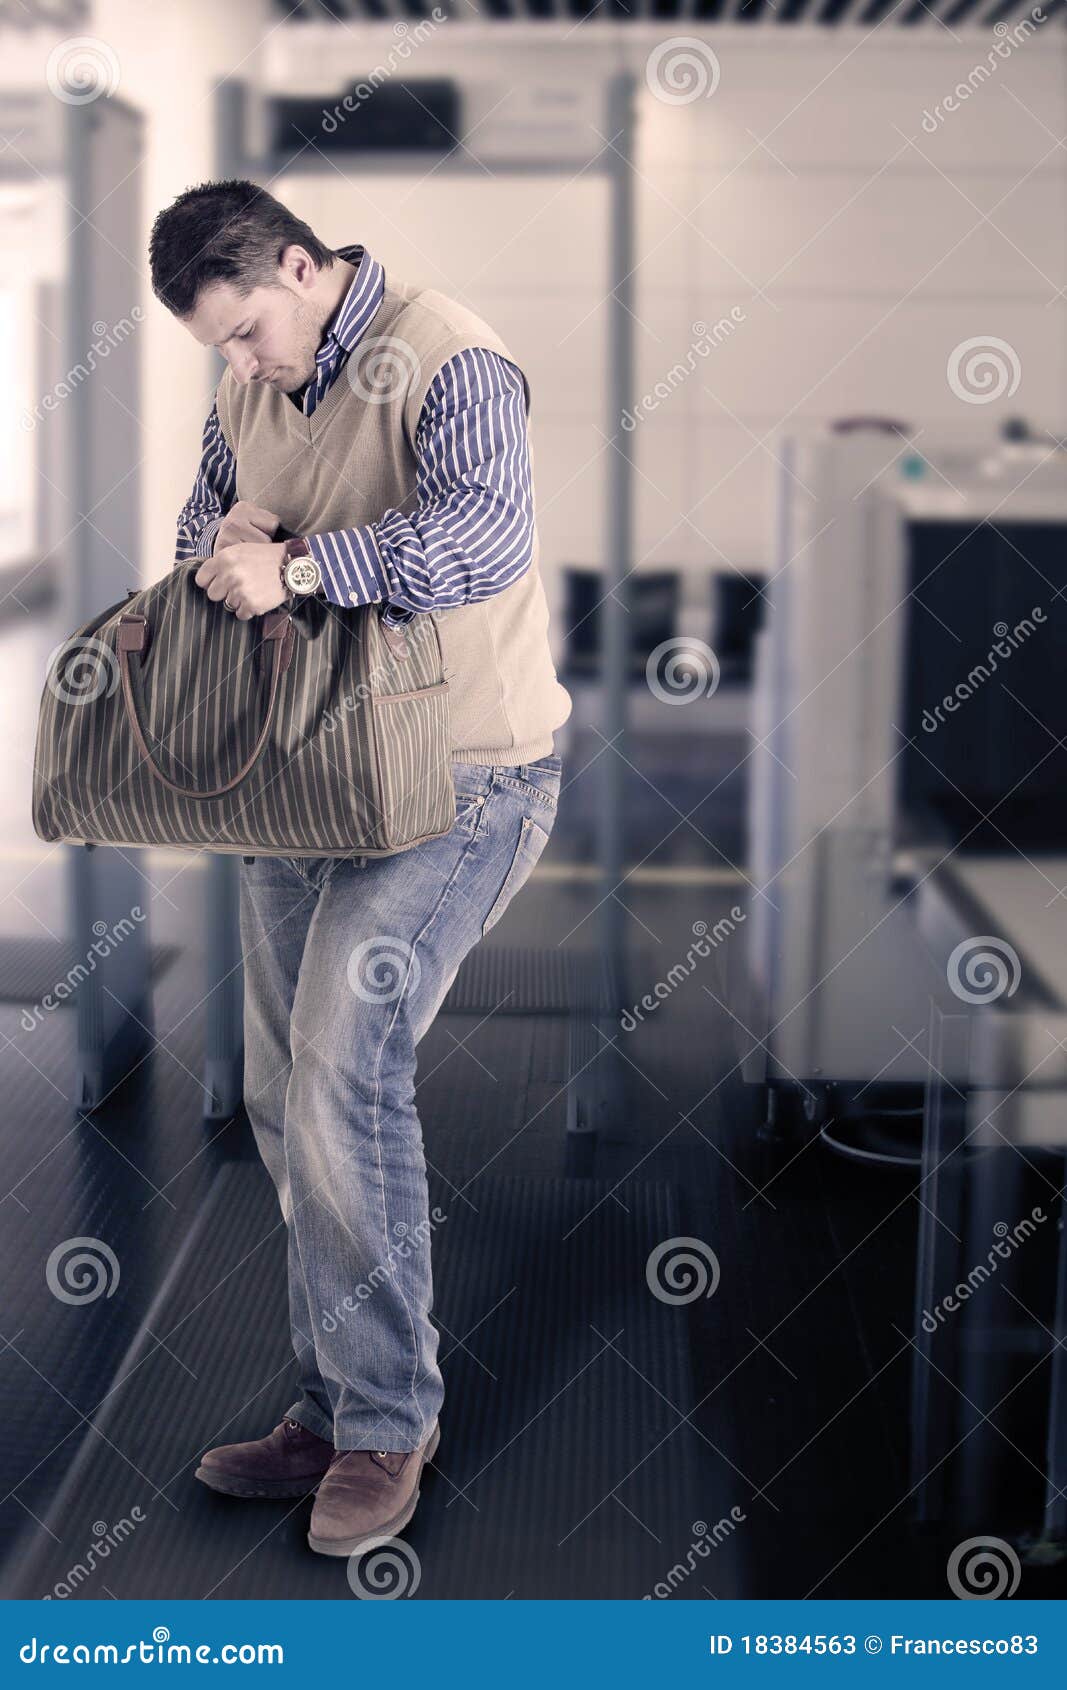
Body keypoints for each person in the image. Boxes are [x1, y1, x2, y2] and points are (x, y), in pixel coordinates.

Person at [149, 179, 571, 1557]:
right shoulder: (243, 388)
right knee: (285, 1090)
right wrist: (219, 553)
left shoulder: (451, 357)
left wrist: (307, 567)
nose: (243, 363)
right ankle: (332, 1402)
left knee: (341, 1069)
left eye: (251, 330)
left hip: (466, 775)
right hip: (312, 772)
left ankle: (389, 1420)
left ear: (300, 262)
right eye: (219, 345)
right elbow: (202, 531)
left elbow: (485, 537)